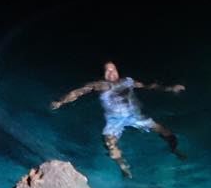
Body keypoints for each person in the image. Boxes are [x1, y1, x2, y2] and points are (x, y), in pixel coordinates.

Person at [50, 61, 185, 177]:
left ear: (117, 71)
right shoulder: (99, 85)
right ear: (103, 74)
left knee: (163, 129)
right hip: (114, 120)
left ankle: (175, 149)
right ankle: (123, 167)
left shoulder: (128, 81)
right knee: (109, 143)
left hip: (134, 115)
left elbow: (148, 86)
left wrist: (170, 88)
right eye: (107, 70)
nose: (111, 72)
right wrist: (61, 102)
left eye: (113, 69)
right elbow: (78, 92)